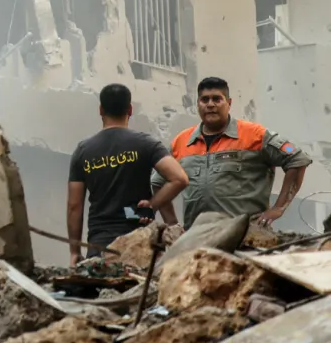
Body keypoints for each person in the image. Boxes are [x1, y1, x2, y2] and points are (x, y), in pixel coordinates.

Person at [154, 77, 311, 230]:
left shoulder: (256, 135)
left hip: (246, 238)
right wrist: (172, 224)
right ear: (198, 104)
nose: (210, 104)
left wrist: (278, 208)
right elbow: (157, 182)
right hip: (197, 239)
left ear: (229, 103)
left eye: (217, 99)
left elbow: (296, 158)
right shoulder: (180, 142)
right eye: (204, 100)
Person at [67, 83, 189, 265]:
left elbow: (74, 206)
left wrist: (74, 252)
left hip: (100, 245)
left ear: (101, 110)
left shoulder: (83, 151)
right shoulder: (146, 144)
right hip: (140, 245)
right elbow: (179, 179)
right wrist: (152, 205)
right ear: (130, 110)